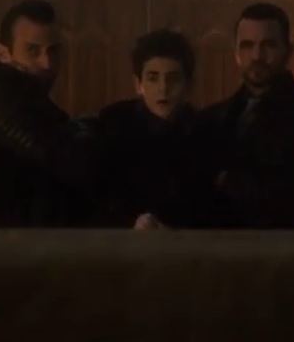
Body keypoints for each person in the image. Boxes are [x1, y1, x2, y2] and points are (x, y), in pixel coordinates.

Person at [0, 0, 97, 228]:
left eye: (53, 51)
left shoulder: (25, 97)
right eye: (32, 50)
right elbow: (62, 157)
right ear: (4, 54)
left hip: (5, 239)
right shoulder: (1, 94)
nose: (46, 63)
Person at [196, 2, 294, 229]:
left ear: (288, 50)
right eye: (247, 46)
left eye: (268, 45)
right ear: (236, 52)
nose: (257, 56)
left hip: (284, 244)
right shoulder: (213, 118)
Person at [88, 29, 208, 230]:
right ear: (138, 84)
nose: (163, 89)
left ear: (188, 85)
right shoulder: (115, 125)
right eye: (153, 78)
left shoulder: (205, 132)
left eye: (173, 79)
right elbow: (96, 201)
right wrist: (131, 223)